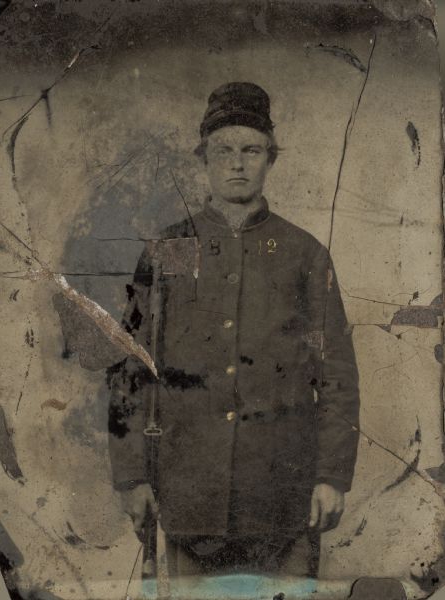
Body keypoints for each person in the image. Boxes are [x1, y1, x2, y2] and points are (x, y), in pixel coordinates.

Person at [107, 82, 360, 578]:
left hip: (282, 499)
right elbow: (128, 370)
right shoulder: (166, 250)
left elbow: (336, 374)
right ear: (204, 157)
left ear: (271, 159)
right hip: (187, 498)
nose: (237, 163)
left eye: (251, 150)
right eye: (223, 150)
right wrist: (132, 475)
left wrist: (332, 475)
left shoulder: (305, 254)